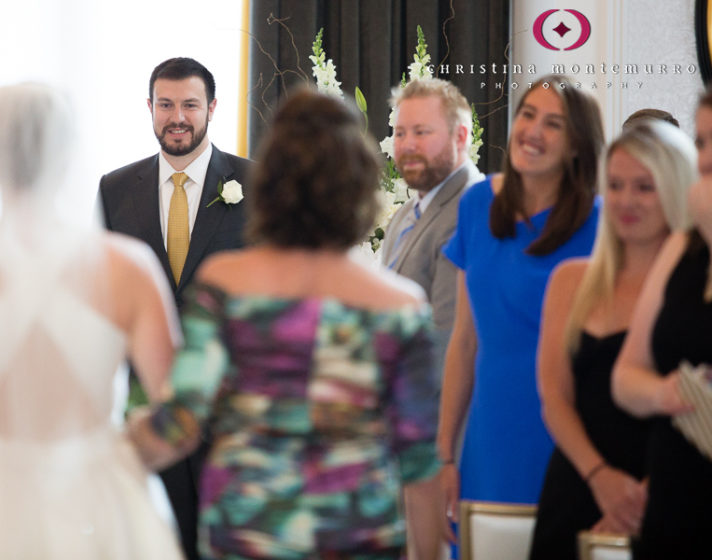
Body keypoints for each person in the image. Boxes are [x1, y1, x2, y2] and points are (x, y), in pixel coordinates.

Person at [127, 87, 446, 559]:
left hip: (250, 530)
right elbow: (419, 462)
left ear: (272, 182)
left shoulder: (227, 285)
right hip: (358, 534)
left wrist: (91, 455)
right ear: (358, 183)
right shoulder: (400, 305)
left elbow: (181, 422)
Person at [0, 83, 184, 559]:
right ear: (68, 157)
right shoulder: (129, 269)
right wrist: (117, 458)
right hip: (98, 505)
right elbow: (180, 421)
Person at [436, 75, 603, 539]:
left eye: (554, 124)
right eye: (527, 114)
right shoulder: (476, 205)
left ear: (576, 146)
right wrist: (445, 453)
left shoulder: (601, 223)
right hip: (489, 438)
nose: (533, 130)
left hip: (567, 439)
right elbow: (464, 341)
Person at [98, 57, 252, 560]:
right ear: (149, 107)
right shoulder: (115, 188)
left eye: (189, 104)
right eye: (165, 104)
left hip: (227, 402)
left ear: (211, 108)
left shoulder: (255, 184)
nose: (177, 117)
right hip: (146, 403)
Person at [528, 120, 695, 560]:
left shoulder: (695, 290)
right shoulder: (570, 280)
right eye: (616, 185)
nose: (626, 201)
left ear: (676, 191)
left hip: (667, 490)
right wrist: (600, 478)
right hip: (577, 482)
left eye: (644, 187)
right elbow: (554, 395)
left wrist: (641, 498)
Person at [612, 89, 712, 559]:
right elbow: (625, 377)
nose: (704, 157)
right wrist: (664, 393)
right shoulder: (682, 249)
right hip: (676, 495)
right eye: (702, 142)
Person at [381, 77, 484, 345]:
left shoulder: (473, 209)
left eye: (421, 132)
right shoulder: (405, 214)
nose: (408, 145)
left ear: (460, 137)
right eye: (400, 133)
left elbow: (447, 339)